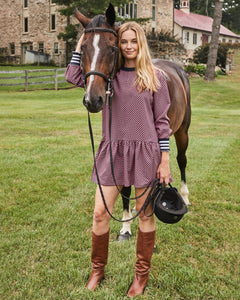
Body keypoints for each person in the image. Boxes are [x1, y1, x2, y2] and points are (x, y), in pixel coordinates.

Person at [65, 21, 172, 297]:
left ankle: (140, 276)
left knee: (145, 216)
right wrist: (82, 43)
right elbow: (74, 77)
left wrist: (165, 160)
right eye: (124, 41)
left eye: (133, 41)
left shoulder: (154, 76)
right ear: (117, 44)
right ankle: (97, 270)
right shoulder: (106, 75)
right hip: (112, 151)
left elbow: (162, 123)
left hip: (146, 153)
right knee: (100, 213)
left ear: (141, 43)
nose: (128, 46)